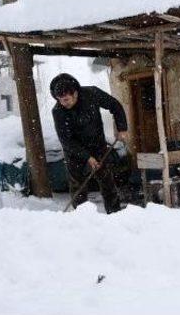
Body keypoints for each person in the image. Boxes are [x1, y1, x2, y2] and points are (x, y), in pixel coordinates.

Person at [50, 73, 129, 214]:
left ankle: (115, 213)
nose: (64, 103)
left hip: (98, 145)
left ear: (75, 93)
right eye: (60, 100)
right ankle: (82, 218)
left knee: (107, 181)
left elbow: (115, 105)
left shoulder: (91, 94)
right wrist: (87, 157)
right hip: (74, 152)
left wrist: (122, 128)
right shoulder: (58, 111)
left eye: (66, 99)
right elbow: (66, 141)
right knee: (78, 186)